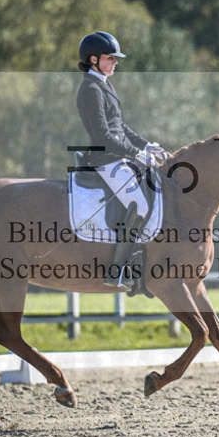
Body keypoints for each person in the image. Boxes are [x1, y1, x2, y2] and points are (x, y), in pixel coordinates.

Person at [75, 31, 166, 289]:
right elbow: (103, 135)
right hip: (105, 160)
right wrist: (135, 153)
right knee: (140, 206)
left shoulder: (104, 84)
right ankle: (117, 271)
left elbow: (120, 127)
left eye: (115, 58)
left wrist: (146, 145)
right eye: (110, 58)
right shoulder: (91, 89)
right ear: (93, 59)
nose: (115, 62)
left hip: (117, 156)